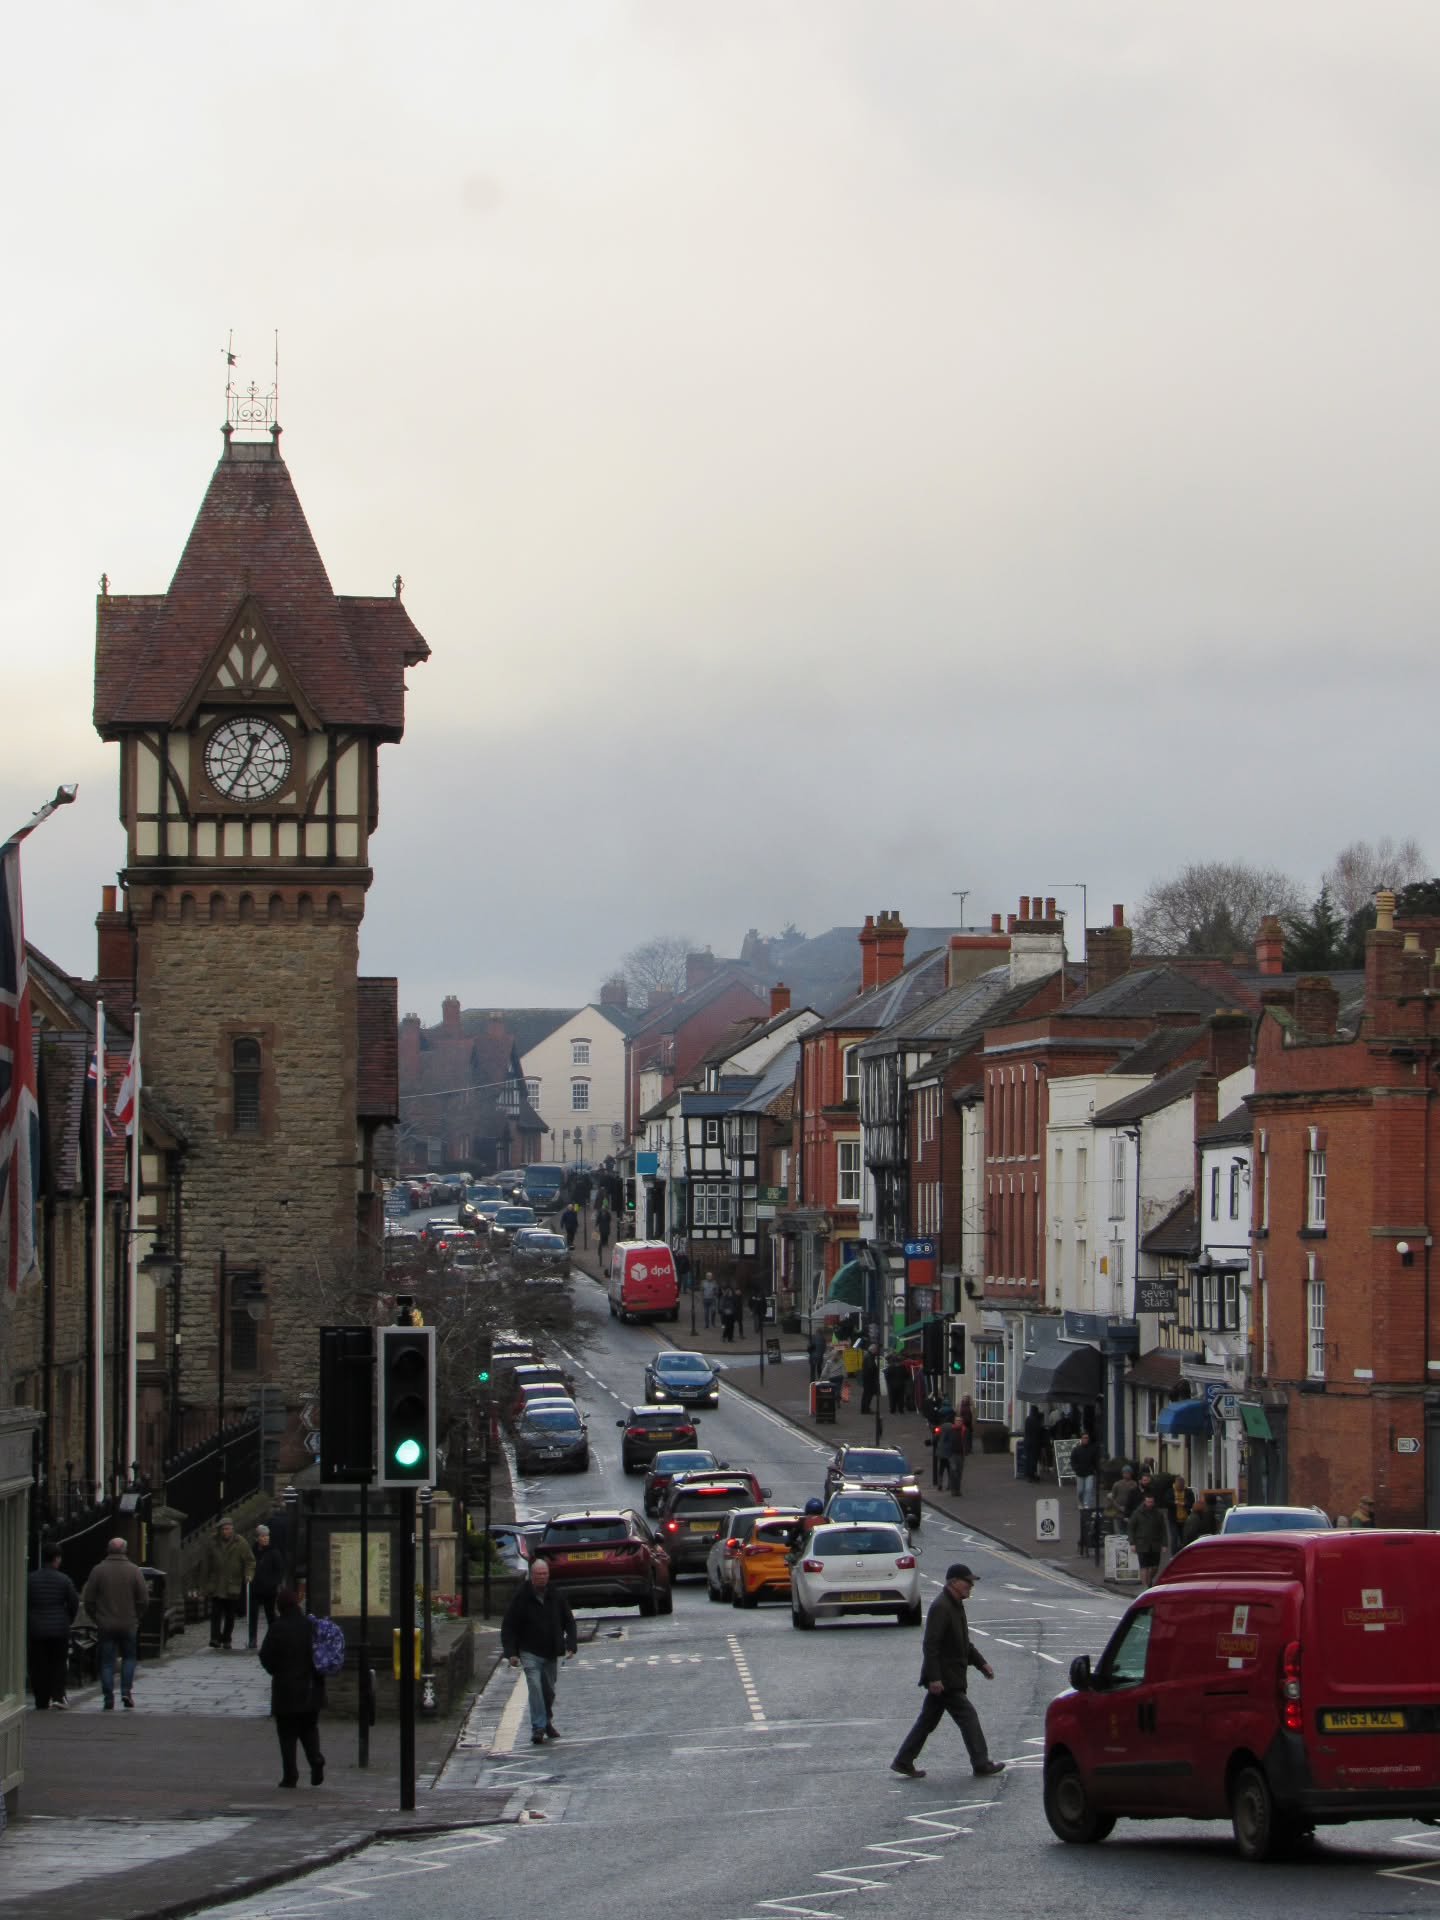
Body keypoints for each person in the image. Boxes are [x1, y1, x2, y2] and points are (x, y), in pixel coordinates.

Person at [891, 1564, 1005, 1780]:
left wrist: (982, 1664)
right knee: (968, 1717)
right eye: (967, 1582)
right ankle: (981, 1763)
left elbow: (964, 1643)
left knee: (927, 1721)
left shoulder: (955, 1605)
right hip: (945, 1679)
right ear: (954, 1582)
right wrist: (934, 1678)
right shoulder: (942, 1607)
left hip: (948, 1677)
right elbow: (931, 1645)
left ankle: (903, 1760)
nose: (971, 1586)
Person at [500, 1556, 577, 1745]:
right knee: (534, 1687)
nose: (542, 1577)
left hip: (551, 1652)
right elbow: (508, 1626)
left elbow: (569, 1621)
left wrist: (571, 1644)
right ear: (531, 1576)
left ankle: (546, 1721)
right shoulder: (521, 1596)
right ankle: (538, 1727)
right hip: (529, 1651)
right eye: (538, 1574)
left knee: (548, 1691)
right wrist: (511, 1653)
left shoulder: (556, 1595)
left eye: (545, 1574)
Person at [258, 1588, 326, 1788]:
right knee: (309, 1728)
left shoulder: (278, 1628)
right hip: (311, 1689)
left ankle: (290, 1775)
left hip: (286, 1690)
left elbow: (266, 1657)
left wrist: (276, 1671)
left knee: (287, 1733)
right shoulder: (310, 1626)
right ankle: (316, 1760)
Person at [80, 1537, 151, 1710]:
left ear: (108, 1549)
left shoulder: (98, 1570)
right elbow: (143, 1599)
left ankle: (108, 1697)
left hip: (105, 1623)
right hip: (128, 1623)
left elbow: (88, 1599)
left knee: (106, 1662)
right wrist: (136, 1617)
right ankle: (126, 1691)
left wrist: (96, 1617)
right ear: (125, 1550)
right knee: (129, 1658)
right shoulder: (134, 1570)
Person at [28, 1546, 80, 1711]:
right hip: (59, 1629)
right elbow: (74, 1603)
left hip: (36, 1629)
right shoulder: (64, 1579)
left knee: (38, 1665)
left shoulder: (30, 1579)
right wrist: (67, 1620)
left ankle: (41, 1700)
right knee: (58, 1663)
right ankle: (58, 1696)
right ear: (57, 1559)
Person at [201, 1517, 255, 1651]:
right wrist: (204, 1584)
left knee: (230, 1615)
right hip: (217, 1584)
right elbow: (206, 1565)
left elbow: (250, 1561)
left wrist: (249, 1574)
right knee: (215, 1613)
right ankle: (214, 1638)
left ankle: (226, 1638)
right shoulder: (212, 1543)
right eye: (224, 1529)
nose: (227, 1532)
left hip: (233, 1584)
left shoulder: (240, 1542)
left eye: (229, 1529)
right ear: (220, 1530)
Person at [247, 1522, 286, 1650]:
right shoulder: (252, 1551)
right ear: (257, 1538)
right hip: (255, 1588)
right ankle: (252, 1639)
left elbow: (279, 1570)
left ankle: (273, 1640)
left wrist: (274, 1583)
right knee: (253, 1615)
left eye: (266, 1536)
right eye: (262, 1536)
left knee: (271, 1616)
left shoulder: (274, 1552)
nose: (265, 1538)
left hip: (269, 1589)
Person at [1128, 1493, 1168, 1587]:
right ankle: (1145, 1587)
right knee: (1144, 1566)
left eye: (1151, 1502)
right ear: (1145, 1502)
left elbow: (1163, 1529)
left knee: (1155, 1567)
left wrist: (1164, 1544)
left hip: (1155, 1544)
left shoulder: (1158, 1514)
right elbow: (1131, 1528)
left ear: (1154, 1502)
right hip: (1141, 1543)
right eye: (1148, 1502)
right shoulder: (1137, 1513)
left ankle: (1149, 1580)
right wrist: (1132, 1543)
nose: (1150, 1503)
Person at [1071, 1429, 1100, 1517]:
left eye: (1087, 1438)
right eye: (1084, 1438)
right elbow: (1073, 1461)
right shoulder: (1076, 1450)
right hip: (1080, 1473)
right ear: (1081, 1439)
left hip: (1089, 1473)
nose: (1086, 1439)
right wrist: (1076, 1469)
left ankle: (1087, 1504)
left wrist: (1096, 1469)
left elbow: (1095, 1461)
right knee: (1080, 1490)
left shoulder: (1092, 1449)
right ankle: (1080, 1503)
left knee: (1088, 1489)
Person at [937, 1415, 964, 1495]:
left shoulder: (963, 1430)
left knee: (958, 1472)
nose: (958, 1422)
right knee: (953, 1471)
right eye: (957, 1421)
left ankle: (956, 1489)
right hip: (951, 1454)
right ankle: (953, 1489)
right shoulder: (951, 1430)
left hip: (959, 1454)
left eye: (960, 1421)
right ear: (954, 1422)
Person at [1023, 1404, 1046, 1482]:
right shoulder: (1036, 1420)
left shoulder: (1027, 1419)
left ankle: (1028, 1474)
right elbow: (1039, 1431)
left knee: (1028, 1459)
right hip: (1034, 1443)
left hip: (1027, 1442)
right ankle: (1031, 1475)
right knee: (1033, 1460)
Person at [860, 1344, 881, 1415]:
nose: (877, 1351)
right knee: (868, 1394)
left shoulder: (868, 1356)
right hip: (869, 1379)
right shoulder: (869, 1357)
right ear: (873, 1350)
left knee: (866, 1394)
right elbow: (870, 1368)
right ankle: (866, 1409)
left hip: (867, 1378)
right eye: (876, 1350)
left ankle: (864, 1408)